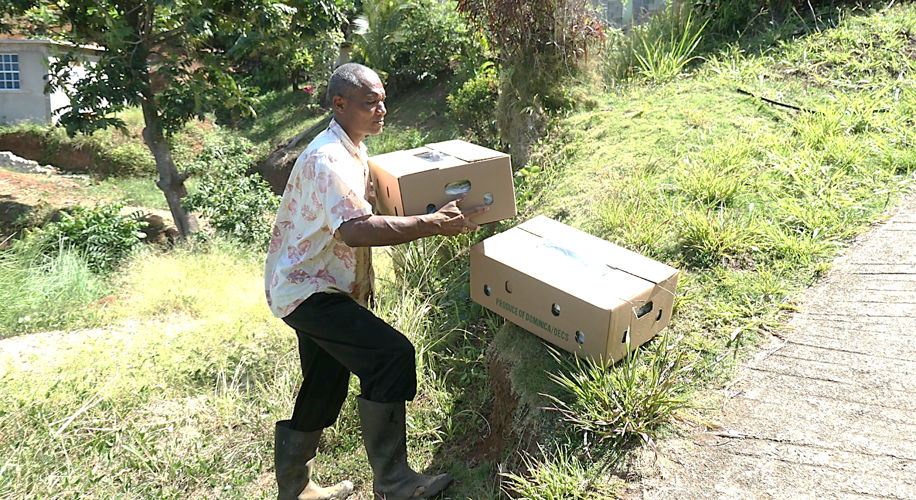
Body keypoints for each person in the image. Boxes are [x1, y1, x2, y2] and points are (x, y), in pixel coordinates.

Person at [264, 62, 487, 500]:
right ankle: (394, 482)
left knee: (325, 381)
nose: (382, 109)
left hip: (314, 283)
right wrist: (432, 223)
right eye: (370, 103)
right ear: (339, 104)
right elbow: (355, 229)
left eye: (383, 100)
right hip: (310, 289)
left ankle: (297, 489)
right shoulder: (328, 158)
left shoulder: (351, 147)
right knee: (391, 356)